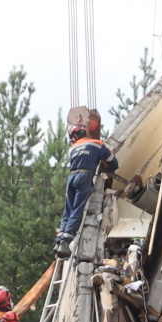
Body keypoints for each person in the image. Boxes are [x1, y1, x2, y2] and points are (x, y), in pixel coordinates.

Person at [53, 108, 118, 258]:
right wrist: (106, 166)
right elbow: (112, 161)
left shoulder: (73, 148)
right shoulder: (96, 143)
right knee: (77, 209)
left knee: (68, 210)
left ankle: (59, 240)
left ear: (74, 136)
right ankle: (65, 241)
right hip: (84, 176)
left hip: (72, 177)